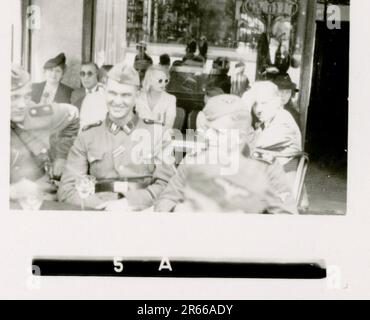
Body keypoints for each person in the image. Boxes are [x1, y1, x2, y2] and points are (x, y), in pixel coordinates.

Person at [58, 62, 176, 211]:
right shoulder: (88, 135)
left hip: (140, 216)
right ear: (105, 92)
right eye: (112, 93)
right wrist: (101, 207)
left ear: (137, 96)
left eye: (125, 95)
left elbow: (168, 186)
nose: (118, 101)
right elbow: (67, 189)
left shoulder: (157, 134)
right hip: (97, 214)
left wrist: (129, 203)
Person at [154, 94, 297, 214]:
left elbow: (287, 219)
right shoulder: (194, 160)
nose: (208, 137)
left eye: (217, 132)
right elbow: (166, 200)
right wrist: (177, 209)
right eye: (207, 130)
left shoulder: (266, 168)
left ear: (240, 137)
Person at [10, 65, 80, 202]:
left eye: (26, 96)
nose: (22, 105)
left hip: (39, 195)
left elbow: (73, 114)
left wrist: (62, 155)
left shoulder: (36, 112)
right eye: (14, 97)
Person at [242, 81, 302, 165]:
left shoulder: (283, 120)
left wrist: (245, 108)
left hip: (280, 176)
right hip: (268, 172)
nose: (258, 110)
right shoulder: (270, 121)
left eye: (264, 103)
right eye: (255, 104)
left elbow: (249, 143)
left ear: (277, 102)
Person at [71, 62, 107, 129]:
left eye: (89, 74)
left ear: (96, 74)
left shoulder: (104, 92)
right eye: (82, 74)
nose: (86, 77)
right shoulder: (75, 94)